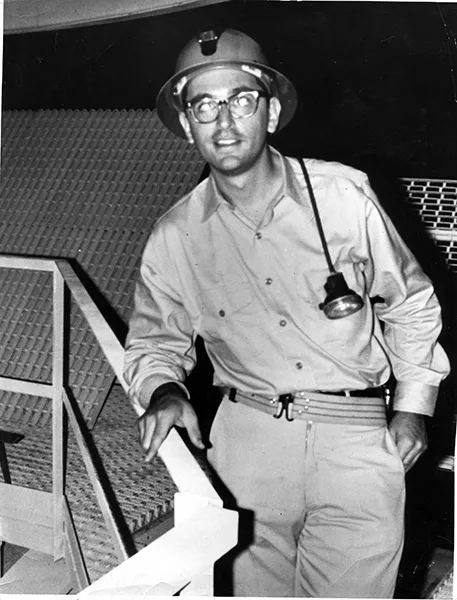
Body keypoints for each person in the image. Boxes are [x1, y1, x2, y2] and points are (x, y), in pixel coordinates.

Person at [123, 28, 450, 598]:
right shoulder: (173, 236)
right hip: (243, 449)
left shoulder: (344, 196)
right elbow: (153, 345)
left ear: (271, 112)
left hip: (356, 445)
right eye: (204, 105)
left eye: (242, 100)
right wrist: (163, 391)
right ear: (186, 125)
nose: (224, 121)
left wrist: (414, 406)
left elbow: (411, 303)